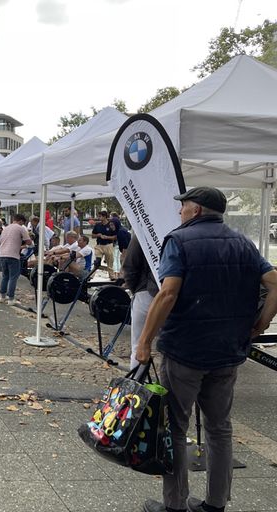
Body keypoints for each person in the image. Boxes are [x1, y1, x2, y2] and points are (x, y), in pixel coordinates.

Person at [137, 187, 277, 512]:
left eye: (183, 206)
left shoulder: (178, 240)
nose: (179, 212)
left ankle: (174, 505)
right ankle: (215, 504)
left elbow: (168, 293)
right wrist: (262, 322)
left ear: (196, 210)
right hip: (227, 352)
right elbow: (274, 281)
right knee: (220, 428)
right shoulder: (243, 243)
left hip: (185, 351)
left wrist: (144, 341)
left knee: (174, 427)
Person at [122, 234, 158, 369]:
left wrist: (136, 289)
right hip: (174, 293)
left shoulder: (143, 231)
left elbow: (130, 266)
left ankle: (136, 385)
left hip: (147, 292)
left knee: (139, 345)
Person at [0, 213, 33, 305]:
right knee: (13, 277)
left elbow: (0, 242)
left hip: (2, 254)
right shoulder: (20, 228)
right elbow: (28, 241)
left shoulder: (5, 229)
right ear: (21, 221)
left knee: (5, 276)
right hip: (13, 255)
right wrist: (25, 244)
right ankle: (11, 298)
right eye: (23, 223)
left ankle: (2, 296)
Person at [92, 210, 117, 279]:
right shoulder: (97, 225)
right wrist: (98, 235)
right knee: (97, 261)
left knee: (110, 262)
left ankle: (112, 277)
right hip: (99, 245)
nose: (98, 218)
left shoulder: (110, 225)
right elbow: (92, 235)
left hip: (108, 245)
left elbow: (115, 237)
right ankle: (91, 276)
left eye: (100, 216)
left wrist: (107, 237)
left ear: (105, 216)